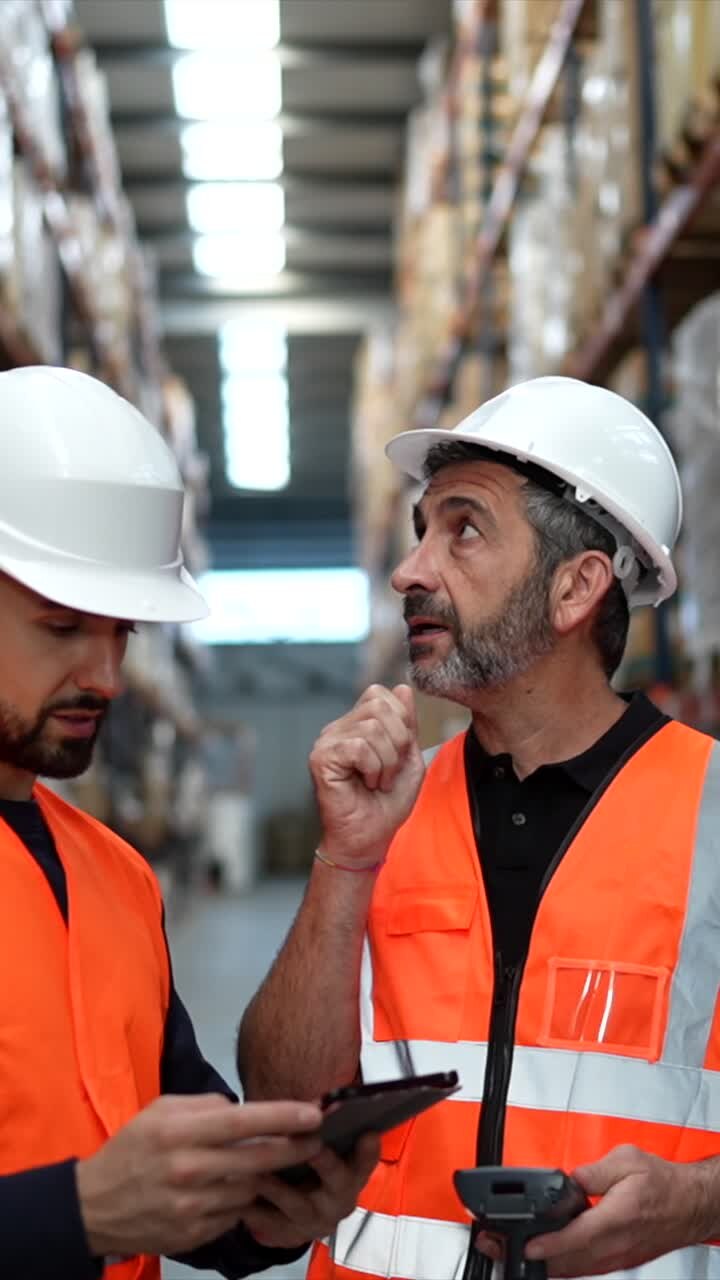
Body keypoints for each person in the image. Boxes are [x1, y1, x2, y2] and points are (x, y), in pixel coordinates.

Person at [238, 375, 720, 1280]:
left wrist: (700, 1199)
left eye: (463, 529)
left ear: (577, 588)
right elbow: (282, 1115)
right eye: (423, 528)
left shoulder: (716, 811)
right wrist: (343, 861)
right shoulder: (388, 809)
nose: (410, 570)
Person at [0, 365, 379, 1280]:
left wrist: (276, 1212)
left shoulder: (116, 876)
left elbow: (185, 1172)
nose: (107, 676)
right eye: (62, 627)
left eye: (123, 631)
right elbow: (101, 1202)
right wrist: (72, 1213)